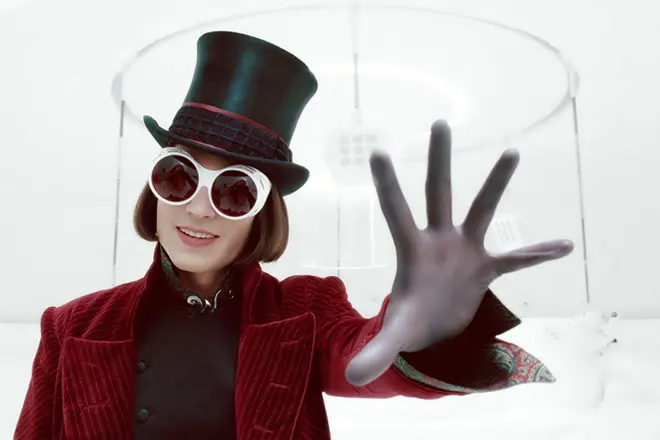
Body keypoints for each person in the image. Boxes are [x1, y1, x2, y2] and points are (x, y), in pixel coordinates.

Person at [13, 31, 573, 440]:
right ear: (155, 188)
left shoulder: (302, 310)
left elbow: (356, 355)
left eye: (234, 191)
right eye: (179, 176)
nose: (200, 207)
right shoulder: (72, 327)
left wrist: (416, 332)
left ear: (261, 213)